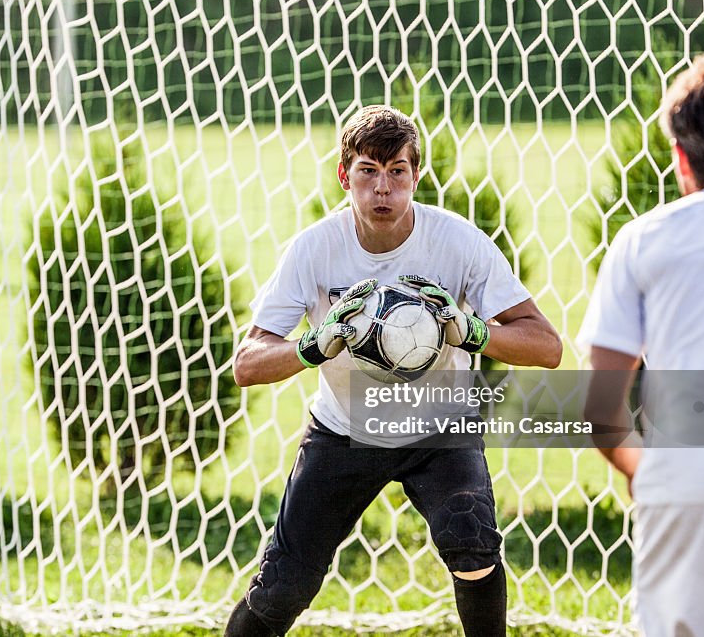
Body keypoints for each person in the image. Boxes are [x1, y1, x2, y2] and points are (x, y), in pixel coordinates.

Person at [225, 105, 562, 636]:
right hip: (345, 431)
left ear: (415, 176)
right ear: (344, 176)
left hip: (441, 429)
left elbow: (546, 346)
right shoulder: (315, 249)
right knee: (282, 588)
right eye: (367, 171)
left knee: (471, 544)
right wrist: (313, 346)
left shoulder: (456, 241)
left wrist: (472, 332)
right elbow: (247, 363)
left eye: (397, 172)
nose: (383, 188)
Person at [579, 54, 704, 637]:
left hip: (692, 471)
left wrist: (645, 473)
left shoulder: (642, 240)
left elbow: (600, 408)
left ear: (680, 159)